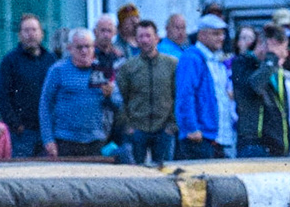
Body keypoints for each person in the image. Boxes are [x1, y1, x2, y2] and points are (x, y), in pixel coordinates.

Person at [235, 24, 290, 157]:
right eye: (279, 49)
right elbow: (256, 85)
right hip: (254, 142)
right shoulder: (243, 63)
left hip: (278, 144)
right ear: (262, 44)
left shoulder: (276, 70)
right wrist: (271, 58)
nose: (284, 54)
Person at [38, 28, 116, 159]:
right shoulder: (58, 70)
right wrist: (48, 139)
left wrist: (110, 95)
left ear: (94, 47)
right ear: (70, 48)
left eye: (88, 46)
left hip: (96, 141)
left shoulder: (102, 71)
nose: (84, 51)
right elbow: (45, 105)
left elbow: (118, 104)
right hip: (65, 140)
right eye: (79, 47)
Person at [118, 19, 179, 165]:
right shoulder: (128, 67)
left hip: (164, 128)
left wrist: (173, 125)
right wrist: (128, 125)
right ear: (136, 39)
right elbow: (122, 97)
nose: (145, 40)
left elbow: (177, 95)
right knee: (137, 171)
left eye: (148, 36)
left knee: (164, 170)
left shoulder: (171, 64)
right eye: (141, 36)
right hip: (137, 129)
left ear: (156, 38)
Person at [0, 14, 55, 158]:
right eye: (26, 30)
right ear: (20, 35)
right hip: (22, 134)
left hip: (48, 133)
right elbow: (2, 96)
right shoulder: (10, 61)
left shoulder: (51, 60)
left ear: (41, 33)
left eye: (34, 30)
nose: (31, 34)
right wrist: (15, 125)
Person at [174, 14, 232, 160]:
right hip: (199, 136)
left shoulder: (214, 59)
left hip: (215, 136)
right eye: (216, 34)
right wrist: (191, 128)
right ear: (202, 35)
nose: (221, 38)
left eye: (222, 34)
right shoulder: (192, 58)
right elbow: (185, 94)